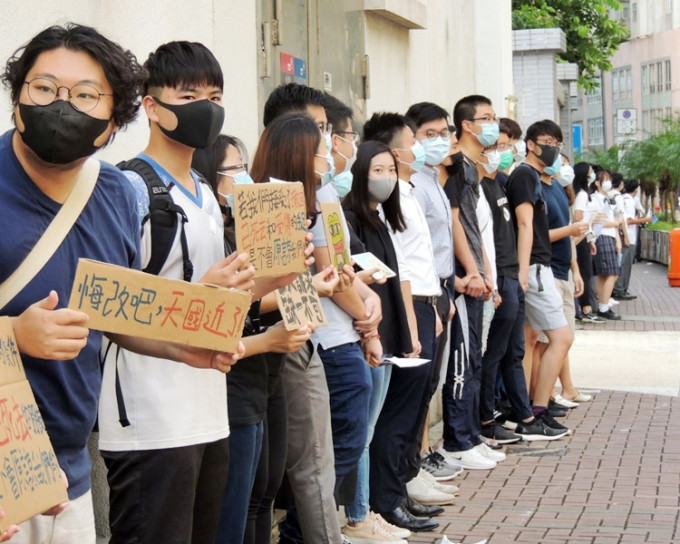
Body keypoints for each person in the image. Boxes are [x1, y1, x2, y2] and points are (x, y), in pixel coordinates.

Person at [0, 25, 244, 544]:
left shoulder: (114, 193)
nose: (61, 106)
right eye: (44, 89)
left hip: (62, 472)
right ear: (17, 96)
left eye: (86, 95)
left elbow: (115, 313)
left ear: (115, 119)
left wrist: (182, 346)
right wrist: (14, 336)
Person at [97, 41, 257, 544]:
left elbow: (225, 303)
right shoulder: (126, 187)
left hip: (208, 409)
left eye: (214, 94)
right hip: (148, 416)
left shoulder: (208, 193)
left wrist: (276, 269)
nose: (205, 107)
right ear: (150, 106)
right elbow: (108, 303)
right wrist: (200, 289)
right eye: (188, 94)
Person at [191, 133, 317, 544]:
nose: (243, 178)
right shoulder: (211, 240)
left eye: (244, 168)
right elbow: (231, 309)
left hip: (267, 373)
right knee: (239, 504)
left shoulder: (244, 230)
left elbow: (266, 293)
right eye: (233, 170)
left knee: (263, 493)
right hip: (237, 379)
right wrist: (277, 304)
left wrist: (309, 287)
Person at [363, 112, 445, 533]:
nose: (420, 147)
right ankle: (385, 499)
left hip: (427, 305)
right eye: (415, 139)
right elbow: (400, 272)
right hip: (407, 312)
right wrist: (413, 326)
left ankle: (399, 490)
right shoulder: (379, 207)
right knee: (396, 415)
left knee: (414, 410)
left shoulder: (407, 193)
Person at [342, 140, 419, 542]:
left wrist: (405, 333)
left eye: (391, 169)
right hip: (364, 337)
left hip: (382, 337)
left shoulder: (379, 218)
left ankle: (364, 511)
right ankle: (359, 515)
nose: (387, 177)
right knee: (363, 433)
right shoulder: (349, 218)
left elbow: (393, 280)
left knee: (368, 429)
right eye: (378, 170)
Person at [477, 126, 567, 443]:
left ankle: (525, 415)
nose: (501, 152)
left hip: (513, 273)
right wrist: (518, 273)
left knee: (515, 349)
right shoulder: (503, 182)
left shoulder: (500, 184)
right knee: (499, 351)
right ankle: (489, 419)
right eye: (494, 147)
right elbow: (521, 226)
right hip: (508, 274)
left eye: (505, 145)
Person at [439, 95, 504, 470]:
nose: (491, 125)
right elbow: (454, 225)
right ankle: (458, 439)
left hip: (479, 278)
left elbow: (478, 231)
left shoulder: (473, 171)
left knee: (474, 360)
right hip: (464, 280)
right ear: (466, 125)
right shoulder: (455, 167)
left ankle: (471, 436)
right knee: (462, 362)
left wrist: (486, 272)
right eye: (485, 118)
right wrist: (471, 272)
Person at [505, 119, 574, 435]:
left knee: (530, 340)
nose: (553, 148)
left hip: (537, 267)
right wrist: (523, 271)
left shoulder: (537, 177)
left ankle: (529, 409)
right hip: (534, 268)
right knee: (561, 338)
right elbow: (524, 224)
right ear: (529, 144)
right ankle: (537, 409)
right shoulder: (524, 175)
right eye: (547, 141)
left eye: (557, 144)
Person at [404, 102, 461, 482]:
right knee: (421, 382)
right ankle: (419, 455)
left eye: (444, 133)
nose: (439, 141)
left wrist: (450, 290)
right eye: (429, 135)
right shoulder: (415, 186)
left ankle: (423, 452)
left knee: (431, 381)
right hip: (425, 291)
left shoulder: (433, 180)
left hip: (441, 288)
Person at [572, 162, 605, 324]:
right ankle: (585, 308)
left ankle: (583, 308)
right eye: (591, 172)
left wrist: (590, 238)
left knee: (585, 272)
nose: (593, 175)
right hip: (579, 237)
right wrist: (583, 230)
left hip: (584, 236)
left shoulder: (583, 193)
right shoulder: (582, 194)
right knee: (583, 273)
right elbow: (579, 217)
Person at [590, 169, 623, 320]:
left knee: (606, 274)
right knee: (611, 273)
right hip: (601, 236)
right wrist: (616, 223)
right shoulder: (595, 198)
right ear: (597, 183)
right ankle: (603, 306)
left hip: (608, 236)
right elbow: (598, 220)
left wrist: (617, 238)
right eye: (605, 179)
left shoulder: (607, 199)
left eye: (609, 179)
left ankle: (602, 305)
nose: (608, 182)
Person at [614, 178, 651, 300]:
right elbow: (629, 220)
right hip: (628, 237)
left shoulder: (624, 198)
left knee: (623, 263)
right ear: (636, 189)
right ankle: (621, 290)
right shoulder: (628, 201)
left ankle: (621, 289)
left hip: (625, 236)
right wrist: (645, 220)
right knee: (625, 264)